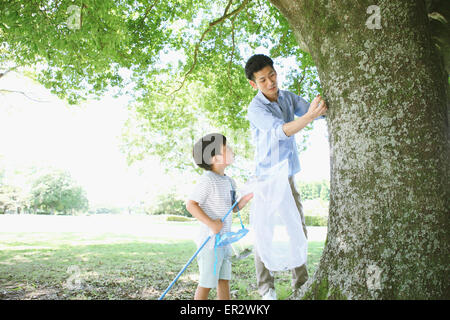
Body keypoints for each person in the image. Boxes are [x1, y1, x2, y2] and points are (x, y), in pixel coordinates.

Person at [245, 54, 328, 300]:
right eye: (262, 80)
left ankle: (300, 283)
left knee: (298, 229)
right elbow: (281, 132)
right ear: (254, 84)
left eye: (272, 75)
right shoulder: (256, 108)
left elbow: (316, 112)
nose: (270, 82)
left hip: (288, 175)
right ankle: (266, 289)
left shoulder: (288, 98)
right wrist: (309, 117)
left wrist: (320, 109)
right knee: (264, 231)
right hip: (267, 177)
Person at [186, 133, 254, 300]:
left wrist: (246, 198)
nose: (231, 150)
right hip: (209, 243)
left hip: (225, 241)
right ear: (214, 158)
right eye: (226, 148)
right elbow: (191, 205)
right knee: (207, 282)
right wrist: (211, 224)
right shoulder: (208, 180)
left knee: (224, 281)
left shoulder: (230, 182)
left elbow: (233, 208)